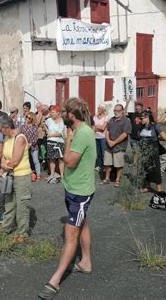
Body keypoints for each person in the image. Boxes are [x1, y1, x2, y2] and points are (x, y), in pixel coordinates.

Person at [38, 97, 96, 299]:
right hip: (72, 188)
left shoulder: (81, 134)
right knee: (83, 223)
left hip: (81, 193)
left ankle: (55, 280)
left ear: (71, 115)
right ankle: (86, 262)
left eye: (64, 112)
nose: (61, 114)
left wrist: (68, 139)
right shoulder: (79, 130)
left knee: (70, 235)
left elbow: (69, 162)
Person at [0, 115, 32, 242]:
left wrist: (4, 168)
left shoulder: (19, 138)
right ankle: (7, 227)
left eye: (0, 129)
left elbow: (15, 160)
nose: (0, 132)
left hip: (22, 176)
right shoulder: (7, 138)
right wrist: (3, 165)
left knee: (22, 205)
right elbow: (4, 158)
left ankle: (23, 233)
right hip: (10, 175)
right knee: (9, 203)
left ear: (6, 127)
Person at [138, 110, 166, 193]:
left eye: (142, 118)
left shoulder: (155, 126)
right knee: (145, 168)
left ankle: (159, 190)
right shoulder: (141, 127)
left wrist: (155, 138)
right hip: (143, 150)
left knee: (156, 169)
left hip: (153, 150)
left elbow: (165, 137)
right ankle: (147, 187)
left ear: (147, 117)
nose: (140, 120)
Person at [101, 104, 131, 187]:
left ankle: (117, 179)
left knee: (118, 164)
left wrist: (114, 142)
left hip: (119, 147)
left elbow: (125, 134)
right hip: (108, 146)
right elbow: (107, 131)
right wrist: (108, 140)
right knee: (107, 163)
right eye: (115, 110)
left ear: (122, 111)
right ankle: (107, 178)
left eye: (118, 110)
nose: (116, 112)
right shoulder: (111, 120)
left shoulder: (126, 121)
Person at [45, 105, 66, 183]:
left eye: (53, 112)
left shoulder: (62, 121)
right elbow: (44, 124)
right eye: (51, 112)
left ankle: (62, 175)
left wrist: (50, 135)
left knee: (60, 159)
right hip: (50, 142)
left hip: (59, 142)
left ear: (58, 113)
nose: (51, 113)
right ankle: (52, 174)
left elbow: (60, 133)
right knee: (51, 159)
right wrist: (47, 131)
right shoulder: (49, 120)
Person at [21, 111, 41, 181]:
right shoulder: (23, 127)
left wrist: (31, 144)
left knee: (35, 161)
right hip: (24, 146)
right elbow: (21, 136)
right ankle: (26, 175)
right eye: (26, 117)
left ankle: (38, 175)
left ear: (32, 119)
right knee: (25, 161)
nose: (27, 118)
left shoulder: (35, 127)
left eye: (29, 118)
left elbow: (36, 138)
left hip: (33, 146)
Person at [93, 105, 108, 172]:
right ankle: (99, 165)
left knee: (103, 152)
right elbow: (92, 127)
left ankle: (105, 166)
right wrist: (98, 127)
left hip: (103, 137)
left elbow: (103, 128)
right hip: (96, 136)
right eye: (98, 108)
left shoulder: (106, 117)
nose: (98, 109)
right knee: (98, 153)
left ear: (103, 109)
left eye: (100, 108)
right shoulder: (95, 117)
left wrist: (96, 127)